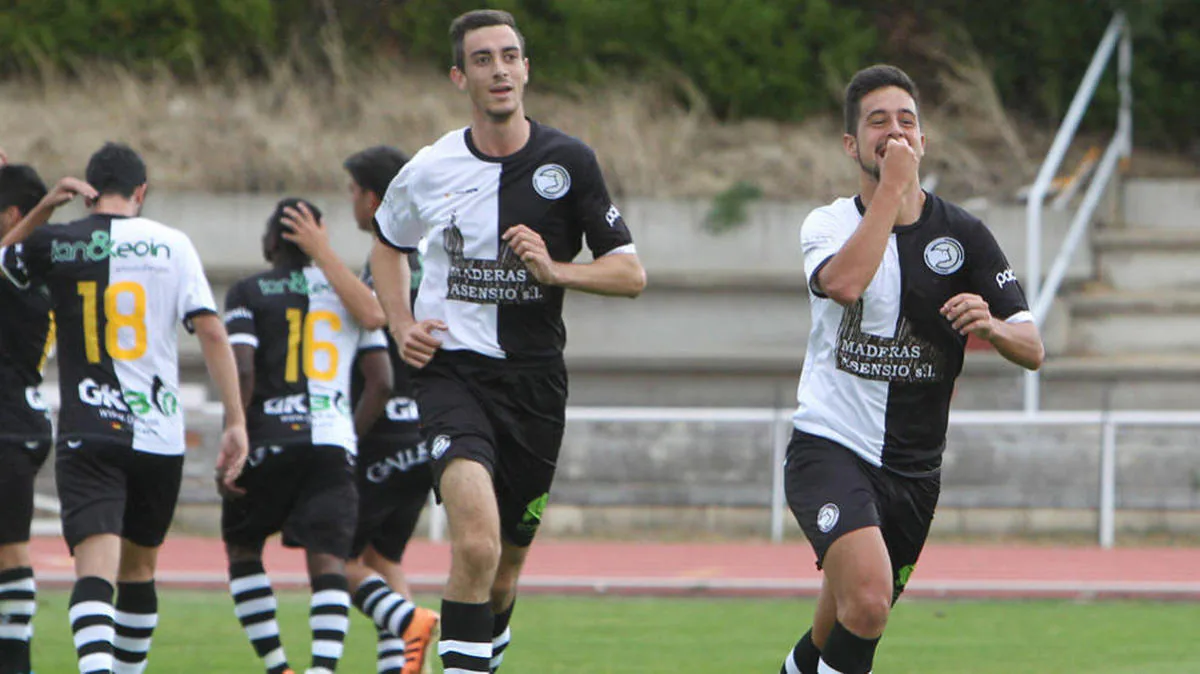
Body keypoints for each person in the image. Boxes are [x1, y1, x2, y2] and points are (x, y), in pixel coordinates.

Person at [370, 9, 646, 672]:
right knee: (477, 545)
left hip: (535, 382)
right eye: (484, 59)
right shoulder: (431, 167)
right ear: (459, 76)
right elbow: (387, 244)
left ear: (526, 67)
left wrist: (555, 270)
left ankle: (480, 655)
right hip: (451, 375)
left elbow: (630, 273)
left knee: (505, 569)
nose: (500, 70)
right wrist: (402, 324)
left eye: (510, 56)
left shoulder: (569, 162)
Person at [779, 65, 1045, 674]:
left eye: (907, 122)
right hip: (832, 445)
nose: (894, 133)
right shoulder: (826, 225)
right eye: (878, 122)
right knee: (869, 604)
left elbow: (1032, 348)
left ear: (923, 140)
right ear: (853, 146)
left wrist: (993, 327)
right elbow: (845, 283)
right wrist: (893, 194)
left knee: (839, 625)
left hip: (914, 472)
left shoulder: (966, 237)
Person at [0, 142, 248, 674]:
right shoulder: (174, 244)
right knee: (139, 571)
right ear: (141, 191)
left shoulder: (60, 241)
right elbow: (209, 329)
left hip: (89, 430)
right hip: (158, 435)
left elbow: (3, 258)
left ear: (89, 193)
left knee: (94, 570)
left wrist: (44, 208)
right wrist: (236, 420)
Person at [220, 197, 392, 674]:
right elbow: (382, 382)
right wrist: (347, 437)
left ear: (271, 242)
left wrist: (234, 436)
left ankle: (278, 667)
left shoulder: (248, 291)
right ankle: (322, 668)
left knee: (244, 549)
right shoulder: (349, 293)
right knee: (329, 560)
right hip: (331, 444)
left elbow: (245, 371)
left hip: (267, 439)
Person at [341, 146, 439, 674]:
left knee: (333, 559)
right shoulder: (436, 257)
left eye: (354, 193)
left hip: (383, 433)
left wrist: (319, 253)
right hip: (426, 431)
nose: (351, 202)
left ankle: (408, 623)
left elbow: (371, 322)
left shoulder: (386, 263)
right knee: (384, 560)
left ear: (374, 198)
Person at [0, 161, 53, 674]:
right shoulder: (46, 263)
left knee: (11, 555)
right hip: (25, 424)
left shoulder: (18, 272)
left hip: (8, 427)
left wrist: (38, 207)